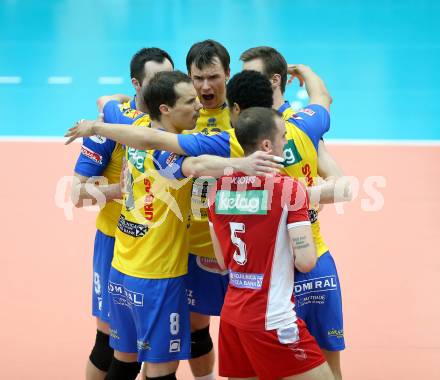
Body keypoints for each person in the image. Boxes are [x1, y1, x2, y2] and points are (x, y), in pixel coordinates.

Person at [100, 70, 282, 380]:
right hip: (156, 273)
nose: (199, 105)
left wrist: (98, 117)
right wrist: (241, 164)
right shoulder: (165, 154)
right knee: (161, 370)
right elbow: (195, 165)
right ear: (165, 109)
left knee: (124, 360)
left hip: (122, 266)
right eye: (189, 101)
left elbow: (108, 104)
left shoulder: (137, 130)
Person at [240, 46, 347, 379]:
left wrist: (299, 197)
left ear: (274, 80)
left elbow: (341, 186)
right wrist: (308, 72)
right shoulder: (298, 125)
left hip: (305, 261)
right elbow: (323, 98)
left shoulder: (293, 129)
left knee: (328, 365)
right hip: (273, 269)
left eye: (252, 77)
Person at [207, 106, 334, 380]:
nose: (286, 141)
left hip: (232, 317)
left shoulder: (216, 190)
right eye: (284, 136)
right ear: (267, 144)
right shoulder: (288, 189)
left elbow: (221, 260)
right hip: (272, 317)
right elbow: (307, 260)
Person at [72, 47, 173, 380]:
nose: (167, 86)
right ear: (136, 84)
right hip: (115, 245)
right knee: (108, 346)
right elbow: (76, 193)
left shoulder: (172, 121)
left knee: (156, 349)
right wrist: (118, 191)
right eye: (157, 80)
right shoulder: (111, 128)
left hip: (159, 249)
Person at [184, 40, 233, 380]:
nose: (205, 86)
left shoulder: (245, 114)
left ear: (228, 74)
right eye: (197, 78)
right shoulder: (183, 115)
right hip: (193, 244)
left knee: (245, 329)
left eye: (213, 76)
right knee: (196, 329)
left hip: (241, 246)